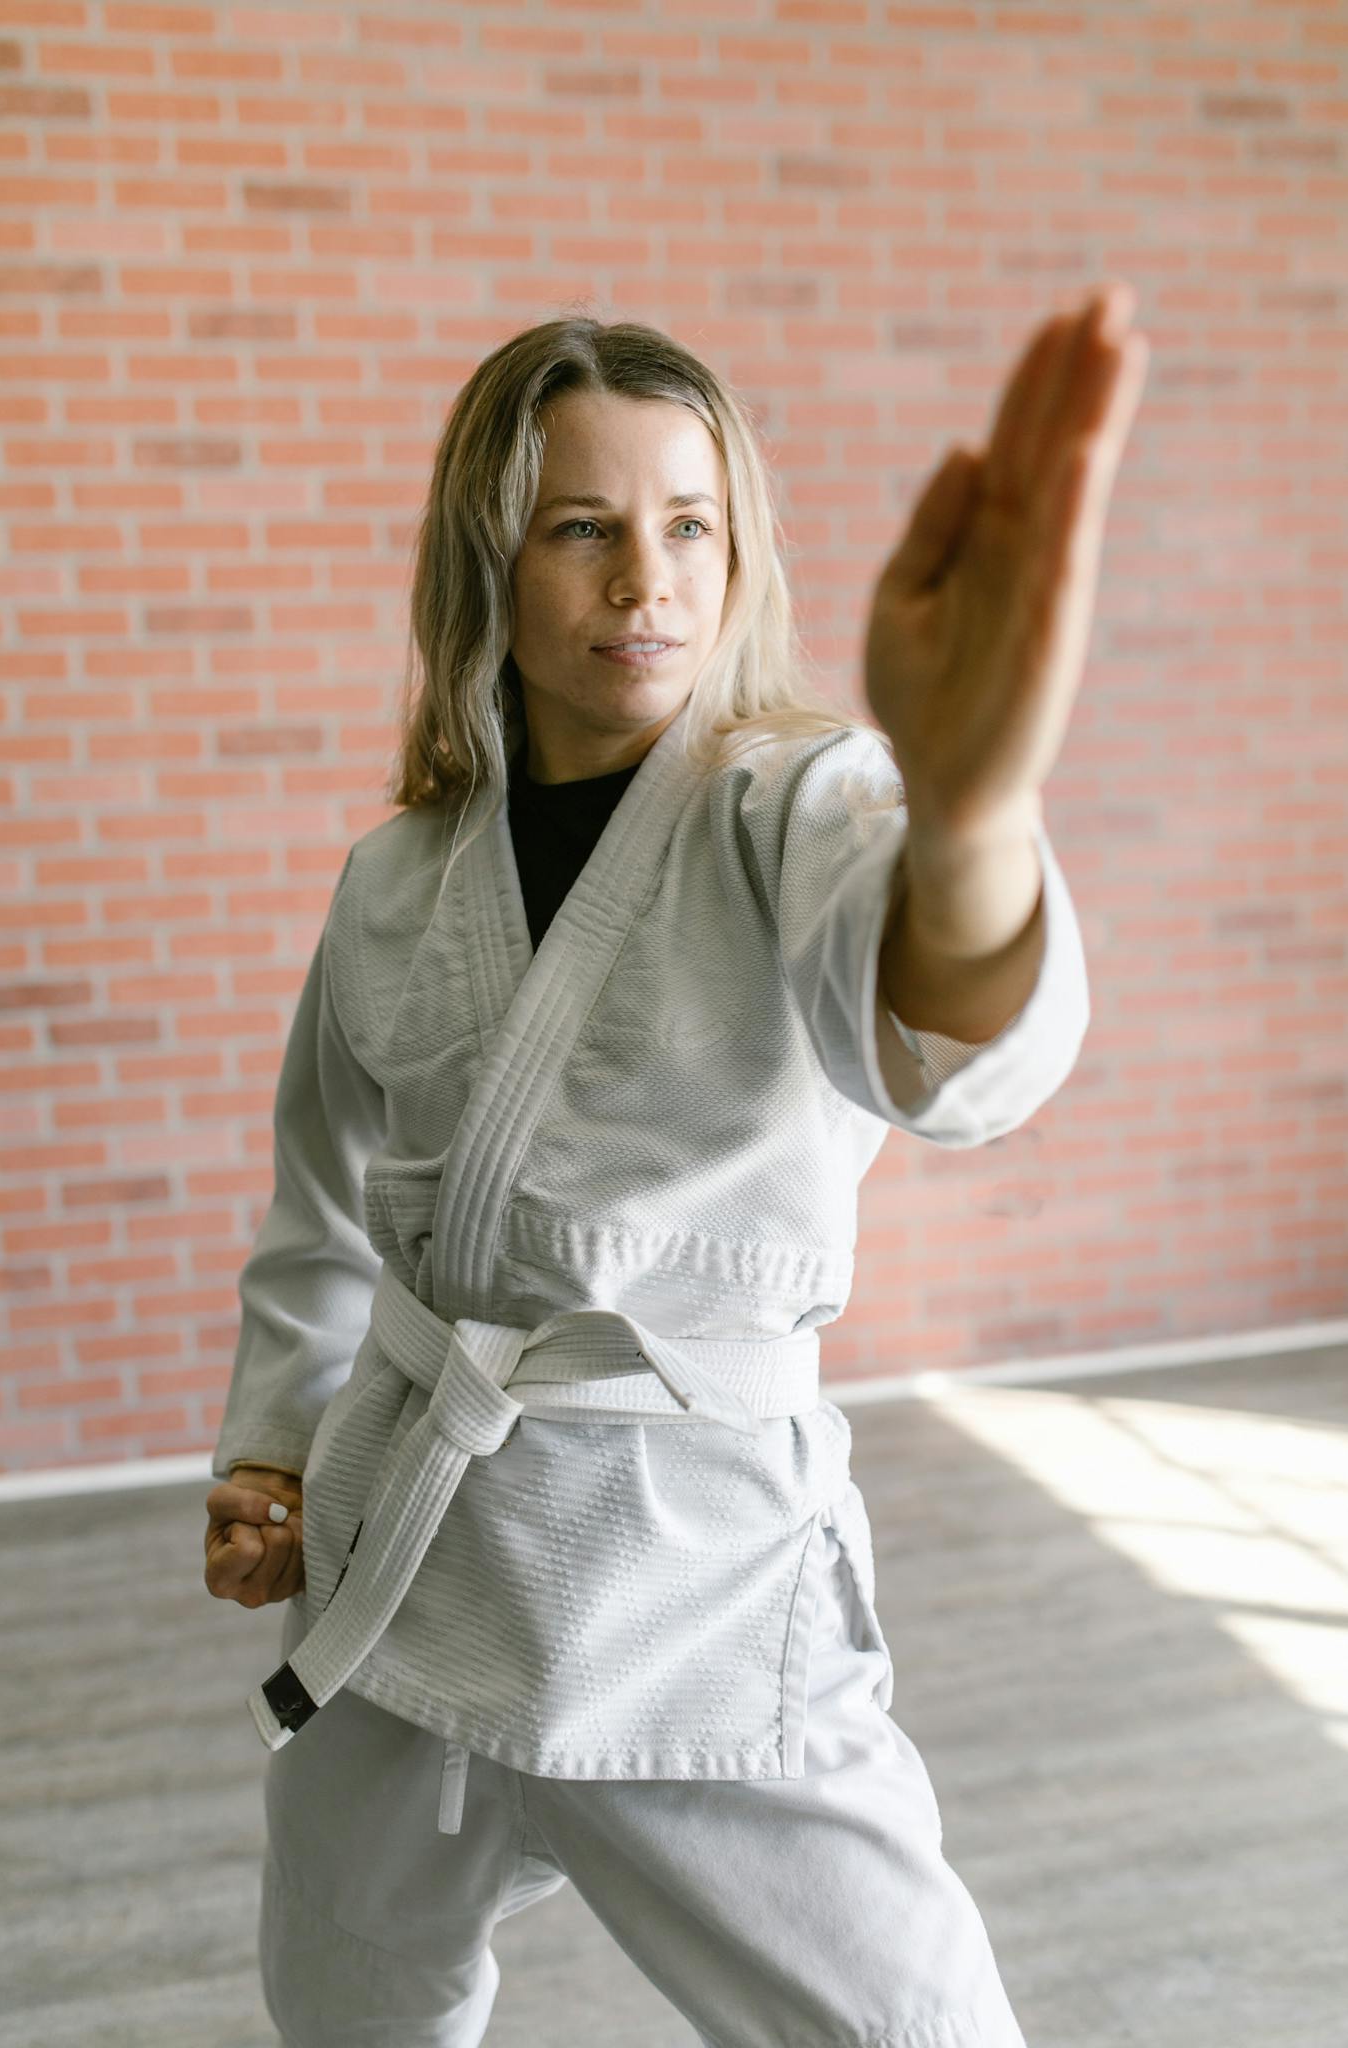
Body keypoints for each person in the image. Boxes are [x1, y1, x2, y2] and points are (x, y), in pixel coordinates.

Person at [203, 292, 1147, 2047]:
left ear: (737, 553)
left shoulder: (795, 809)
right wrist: (271, 1444)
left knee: (907, 2027)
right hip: (406, 1569)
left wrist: (973, 816)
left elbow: (934, 1040)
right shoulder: (399, 877)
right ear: (488, 564)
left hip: (686, 1589)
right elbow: (325, 1209)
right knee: (343, 1991)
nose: (647, 577)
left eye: (687, 525)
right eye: (583, 529)